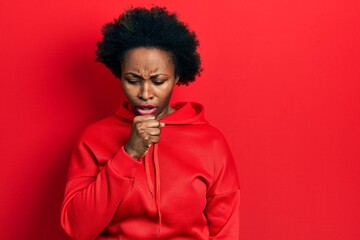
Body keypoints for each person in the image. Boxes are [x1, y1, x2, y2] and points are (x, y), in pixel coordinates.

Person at [60, 6, 240, 240]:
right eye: (133, 80)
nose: (145, 93)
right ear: (120, 74)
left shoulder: (211, 143)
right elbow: (77, 229)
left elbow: (225, 231)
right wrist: (129, 153)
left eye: (158, 81)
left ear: (177, 76)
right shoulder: (93, 139)